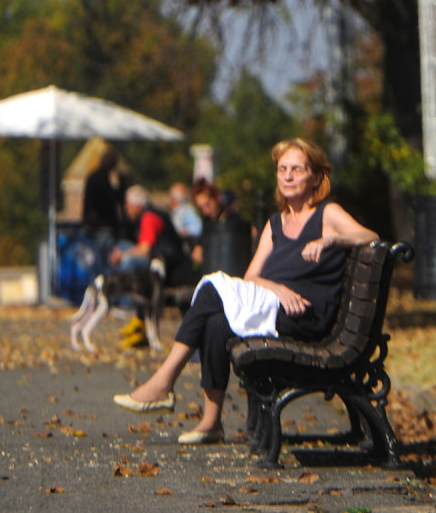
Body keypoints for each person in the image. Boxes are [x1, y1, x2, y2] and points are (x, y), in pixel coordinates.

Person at [112, 137, 377, 445]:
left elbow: (369, 235)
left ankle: (163, 382)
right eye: (282, 169)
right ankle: (211, 422)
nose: (288, 176)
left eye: (297, 170)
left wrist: (331, 240)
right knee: (215, 322)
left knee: (211, 287)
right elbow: (252, 275)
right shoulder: (275, 222)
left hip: (305, 314)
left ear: (316, 177)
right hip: (276, 305)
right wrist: (277, 289)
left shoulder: (327, 213)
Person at [108, 184, 185, 281]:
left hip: (166, 260)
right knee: (121, 245)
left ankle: (123, 292)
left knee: (126, 261)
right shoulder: (145, 215)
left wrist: (122, 255)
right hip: (158, 255)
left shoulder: (148, 217)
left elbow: (144, 250)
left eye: (128, 203)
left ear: (138, 205)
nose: (126, 207)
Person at [82, 146, 125, 233]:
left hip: (96, 223)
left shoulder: (95, 176)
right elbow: (111, 197)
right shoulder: (101, 178)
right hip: (100, 224)